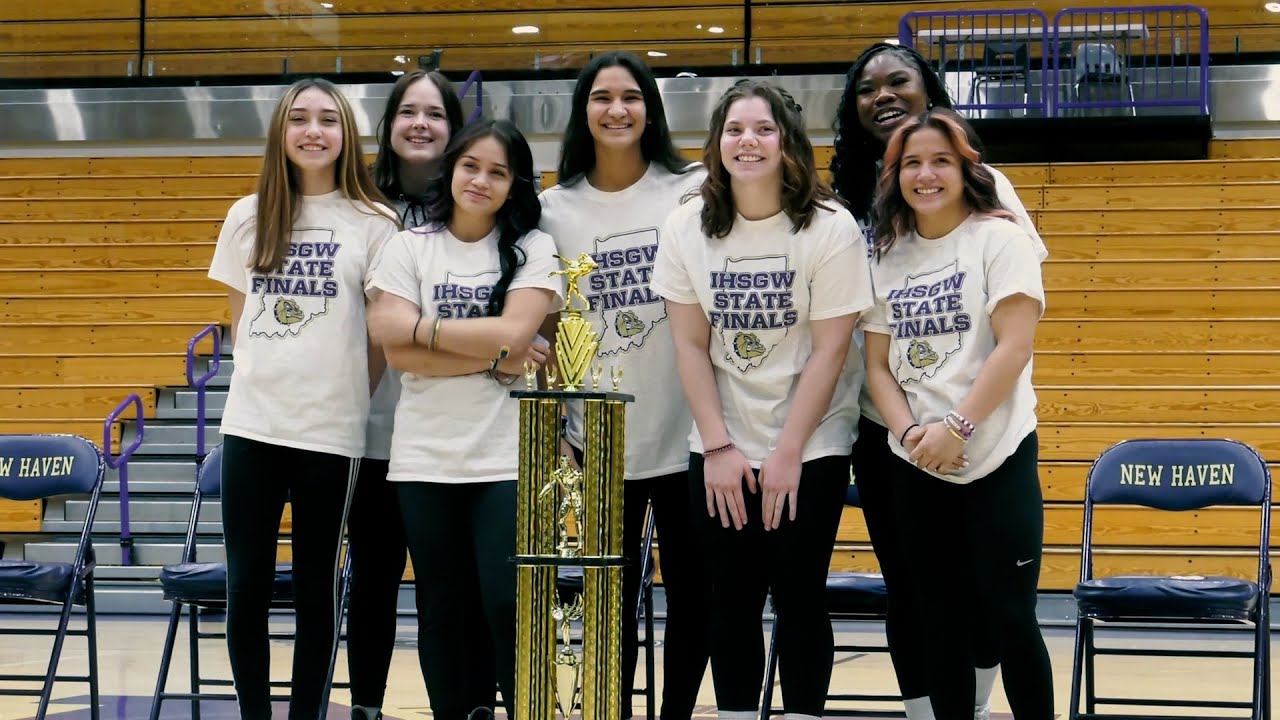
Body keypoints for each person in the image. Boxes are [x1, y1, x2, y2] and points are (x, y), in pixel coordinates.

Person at [830, 42, 1047, 720]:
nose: (884, 96)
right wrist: (914, 432)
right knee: (923, 601)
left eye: (900, 81)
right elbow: (872, 357)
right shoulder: (869, 228)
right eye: (869, 88)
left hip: (982, 435)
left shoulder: (995, 221)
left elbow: (1012, 339)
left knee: (1002, 611)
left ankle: (979, 703)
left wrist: (957, 427)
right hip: (899, 436)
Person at [651, 79, 874, 720]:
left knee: (800, 594)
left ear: (787, 143)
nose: (748, 141)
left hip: (812, 441)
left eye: (764, 129)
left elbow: (832, 350)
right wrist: (719, 446)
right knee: (732, 597)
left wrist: (790, 452)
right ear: (717, 143)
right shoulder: (686, 226)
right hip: (720, 443)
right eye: (734, 130)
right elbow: (691, 345)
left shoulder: (830, 228)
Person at [207, 77, 399, 720]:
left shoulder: (374, 223)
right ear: (280, 133)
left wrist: (341, 394)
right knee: (247, 587)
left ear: (347, 134)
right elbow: (240, 323)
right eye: (298, 119)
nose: (312, 130)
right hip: (253, 424)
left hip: (330, 432)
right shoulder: (247, 214)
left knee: (317, 587)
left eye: (327, 119)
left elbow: (378, 338)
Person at [366, 119, 563, 720]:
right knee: (442, 609)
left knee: (507, 603)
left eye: (498, 172)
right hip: (425, 458)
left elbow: (516, 334)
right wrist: (494, 354)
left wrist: (429, 333)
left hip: (506, 455)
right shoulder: (407, 247)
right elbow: (396, 352)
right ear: (450, 168)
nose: (480, 180)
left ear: (514, 185)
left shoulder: (534, 248)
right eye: (471, 165)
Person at [538, 50, 711, 719]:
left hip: (689, 430)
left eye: (631, 96)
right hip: (601, 437)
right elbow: (548, 333)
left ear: (651, 109)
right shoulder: (553, 209)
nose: (617, 109)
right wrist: (556, 432)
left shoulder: (692, 188)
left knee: (694, 595)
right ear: (584, 112)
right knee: (608, 600)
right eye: (602, 97)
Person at [347, 69, 483, 720]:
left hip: (456, 442)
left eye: (435, 113)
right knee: (372, 585)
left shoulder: (478, 218)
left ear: (456, 132)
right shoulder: (359, 210)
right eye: (408, 111)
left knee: (453, 594)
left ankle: (467, 709)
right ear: (389, 126)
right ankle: (367, 708)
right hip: (373, 436)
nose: (421, 123)